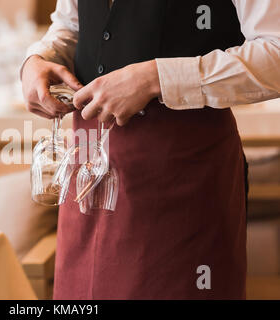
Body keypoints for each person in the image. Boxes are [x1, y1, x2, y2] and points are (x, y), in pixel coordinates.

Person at [21, 0, 280, 299]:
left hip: (183, 180)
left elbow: (274, 49)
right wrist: (37, 59)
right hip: (86, 176)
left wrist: (157, 78)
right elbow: (71, 25)